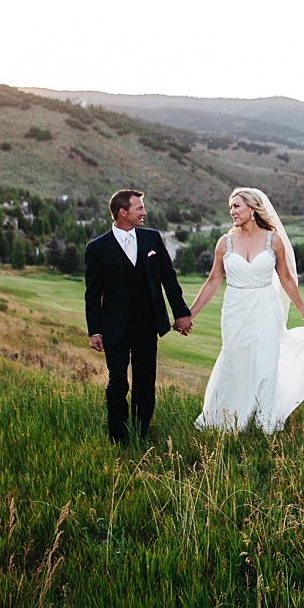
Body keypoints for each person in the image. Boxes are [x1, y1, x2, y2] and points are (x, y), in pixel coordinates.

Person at [187, 187, 304, 434]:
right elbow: (213, 280)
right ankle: (225, 417)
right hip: (235, 308)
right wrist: (189, 314)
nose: (232, 211)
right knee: (233, 361)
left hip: (266, 306)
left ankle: (263, 420)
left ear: (252, 209)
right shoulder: (225, 242)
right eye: (230, 207)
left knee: (264, 362)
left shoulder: (272, 240)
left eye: (237, 206)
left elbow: (286, 279)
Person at [85, 189, 193, 444]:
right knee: (117, 382)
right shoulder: (97, 248)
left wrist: (181, 314)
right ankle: (118, 436)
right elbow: (93, 293)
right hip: (114, 327)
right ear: (123, 212)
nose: (144, 213)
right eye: (139, 208)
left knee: (145, 381)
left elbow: (169, 277)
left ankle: (141, 433)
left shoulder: (152, 239)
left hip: (147, 325)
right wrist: (95, 331)